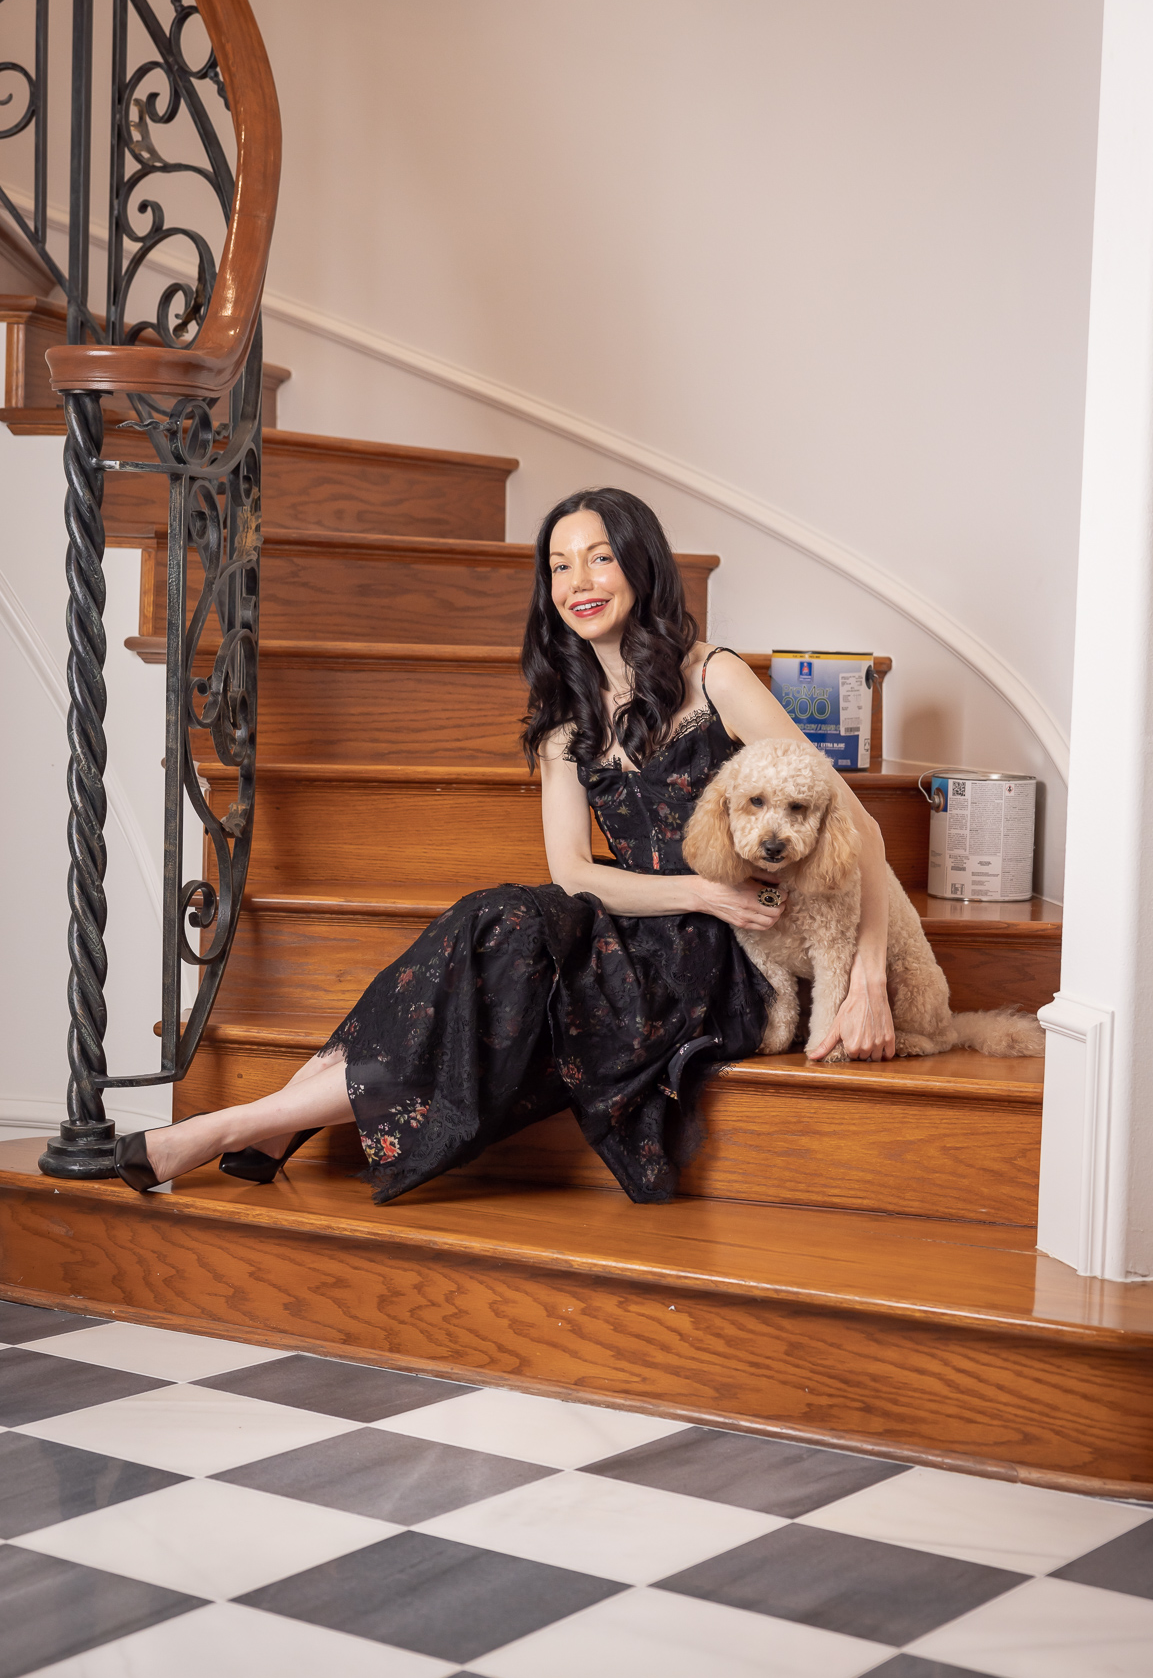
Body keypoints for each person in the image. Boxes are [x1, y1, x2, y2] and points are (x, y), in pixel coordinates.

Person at [112, 488, 896, 1204]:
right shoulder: (564, 721)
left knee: (534, 972)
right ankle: (270, 1119)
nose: (578, 581)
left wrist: (866, 982)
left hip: (731, 957)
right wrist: (695, 891)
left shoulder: (714, 678)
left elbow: (860, 826)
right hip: (652, 914)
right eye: (559, 566)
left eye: (598, 557)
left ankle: (241, 1124)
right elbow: (573, 873)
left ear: (641, 567)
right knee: (498, 919)